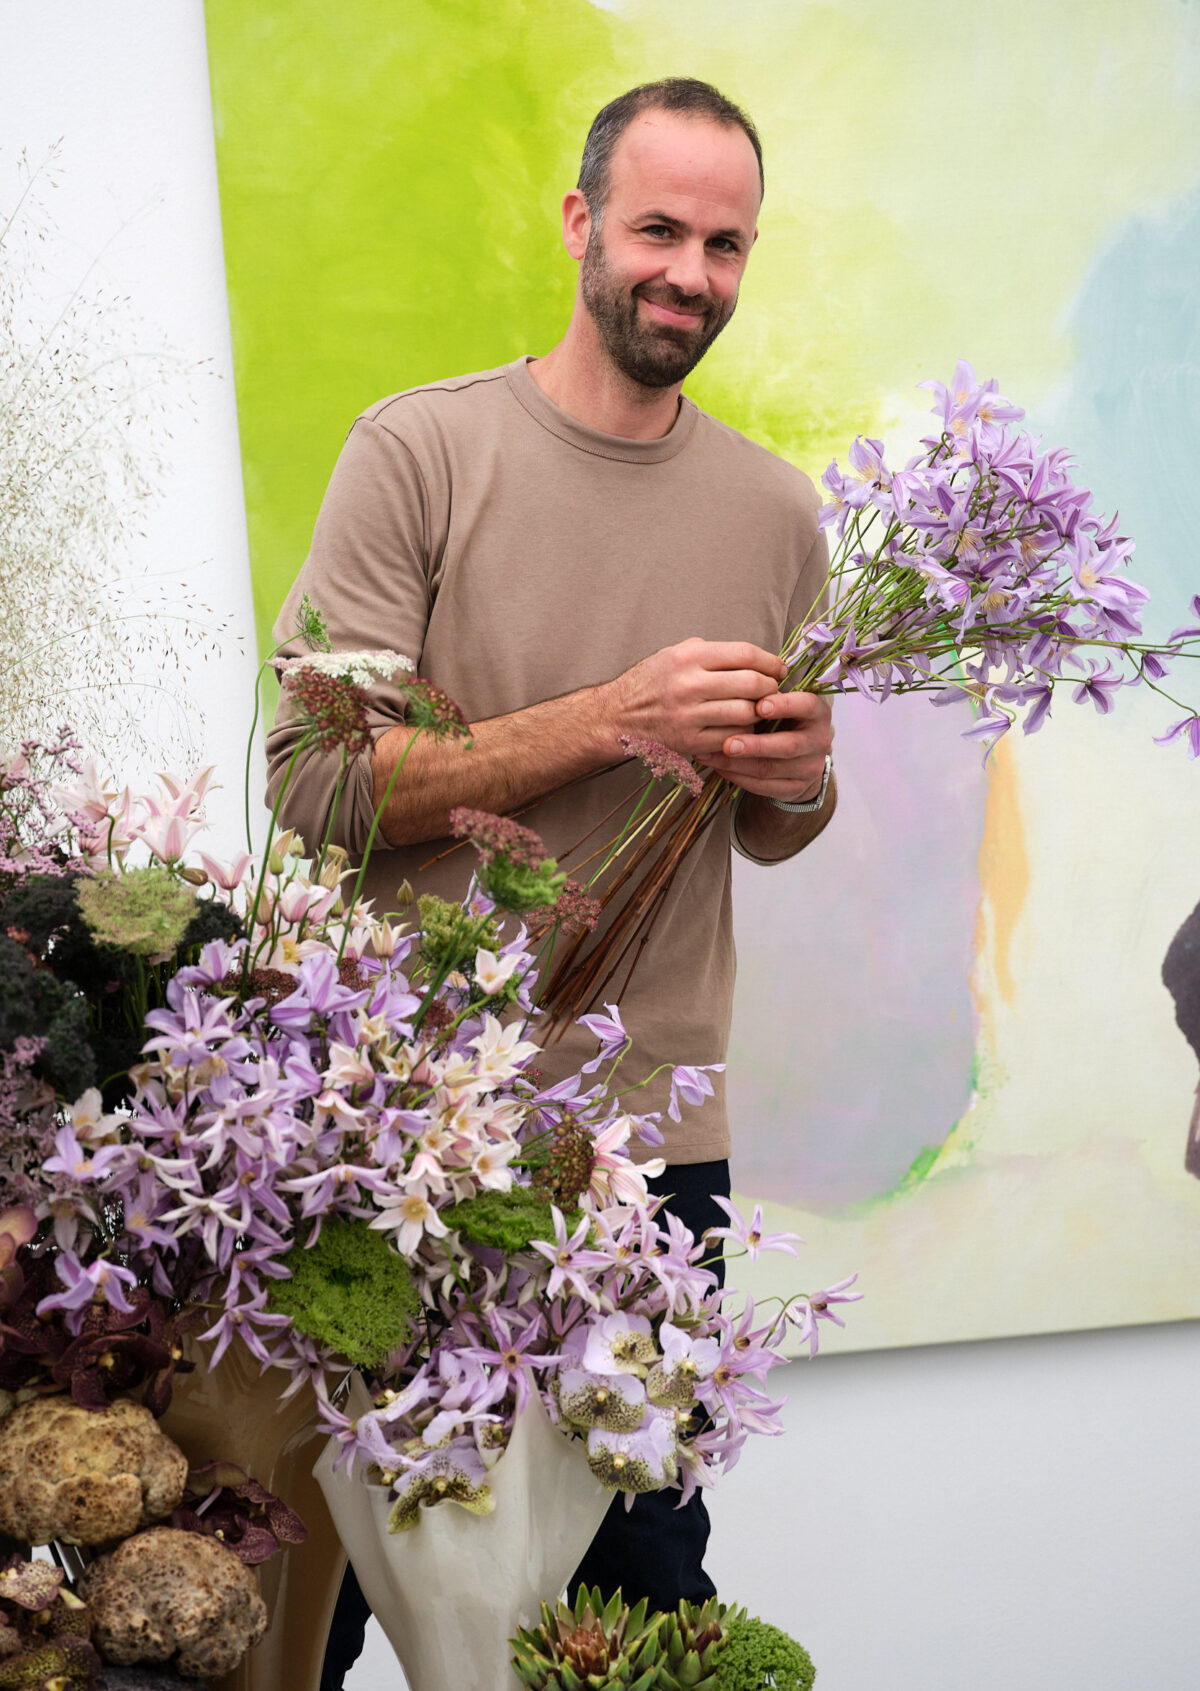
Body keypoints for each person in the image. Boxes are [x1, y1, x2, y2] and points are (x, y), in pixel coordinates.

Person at [267, 77, 837, 1690]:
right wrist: (615, 717)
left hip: (653, 1160)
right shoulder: (422, 450)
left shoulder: (778, 513)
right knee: (322, 1591)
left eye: (726, 244)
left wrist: (797, 782)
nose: (694, 276)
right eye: (661, 229)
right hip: (406, 1140)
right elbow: (315, 789)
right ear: (581, 223)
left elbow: (774, 823)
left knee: (642, 1603)